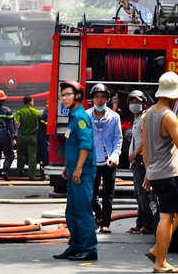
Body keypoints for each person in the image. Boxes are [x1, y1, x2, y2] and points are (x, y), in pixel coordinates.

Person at [143, 72, 178, 273]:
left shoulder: (149, 113)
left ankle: (158, 248)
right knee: (167, 216)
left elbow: (145, 146)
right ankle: (160, 262)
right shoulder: (168, 116)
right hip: (167, 174)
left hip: (158, 172)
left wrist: (148, 171)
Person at [52, 80, 97, 261]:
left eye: (67, 94)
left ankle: (89, 249)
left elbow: (86, 145)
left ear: (78, 96)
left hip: (82, 173)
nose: (63, 98)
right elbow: (75, 145)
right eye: (62, 95)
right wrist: (68, 166)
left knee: (83, 211)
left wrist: (78, 169)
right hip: (73, 171)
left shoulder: (80, 117)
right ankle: (76, 246)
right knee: (71, 210)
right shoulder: (73, 116)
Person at [87, 83, 122, 234]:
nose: (99, 100)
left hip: (109, 162)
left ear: (107, 99)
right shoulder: (86, 116)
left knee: (108, 195)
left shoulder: (114, 117)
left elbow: (118, 139)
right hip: (92, 161)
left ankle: (105, 223)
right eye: (97, 97)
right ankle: (98, 215)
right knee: (90, 194)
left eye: (102, 97)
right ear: (92, 98)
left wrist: (115, 156)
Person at [126, 90, 155, 235]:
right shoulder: (137, 119)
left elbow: (145, 140)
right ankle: (140, 223)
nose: (134, 104)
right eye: (132, 102)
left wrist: (135, 153)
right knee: (139, 194)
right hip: (136, 161)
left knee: (145, 195)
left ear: (144, 103)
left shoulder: (145, 118)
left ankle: (148, 225)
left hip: (142, 160)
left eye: (137, 102)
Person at [14, 95, 41, 180]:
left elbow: (16, 122)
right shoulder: (36, 112)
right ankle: (31, 175)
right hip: (33, 137)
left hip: (22, 137)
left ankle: (19, 172)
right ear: (30, 102)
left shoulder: (20, 112)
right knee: (32, 156)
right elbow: (41, 122)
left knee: (20, 154)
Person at [37, 100, 50, 181]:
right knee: (44, 158)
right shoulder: (46, 114)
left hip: (42, 138)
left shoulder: (44, 113)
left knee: (43, 158)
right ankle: (43, 175)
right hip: (44, 139)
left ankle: (43, 174)